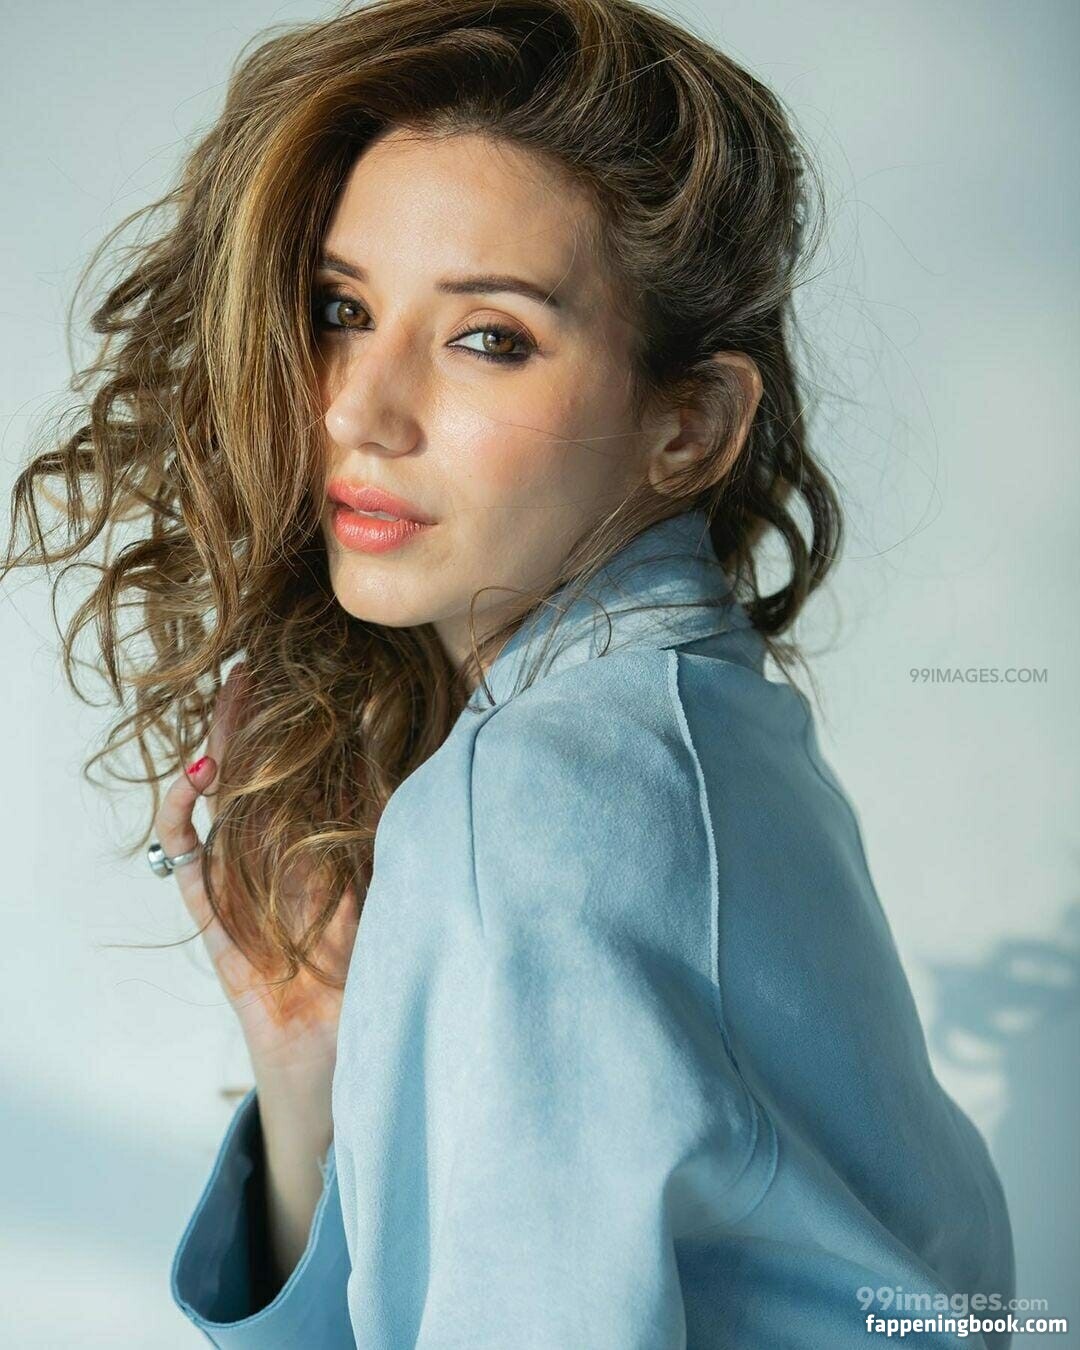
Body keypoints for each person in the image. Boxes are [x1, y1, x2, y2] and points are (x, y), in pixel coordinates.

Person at [3, 0, 1015, 1345]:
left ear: (690, 423)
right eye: (342, 310)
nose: (358, 408)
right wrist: (314, 1075)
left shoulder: (530, 798)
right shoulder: (702, 720)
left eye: (489, 336)